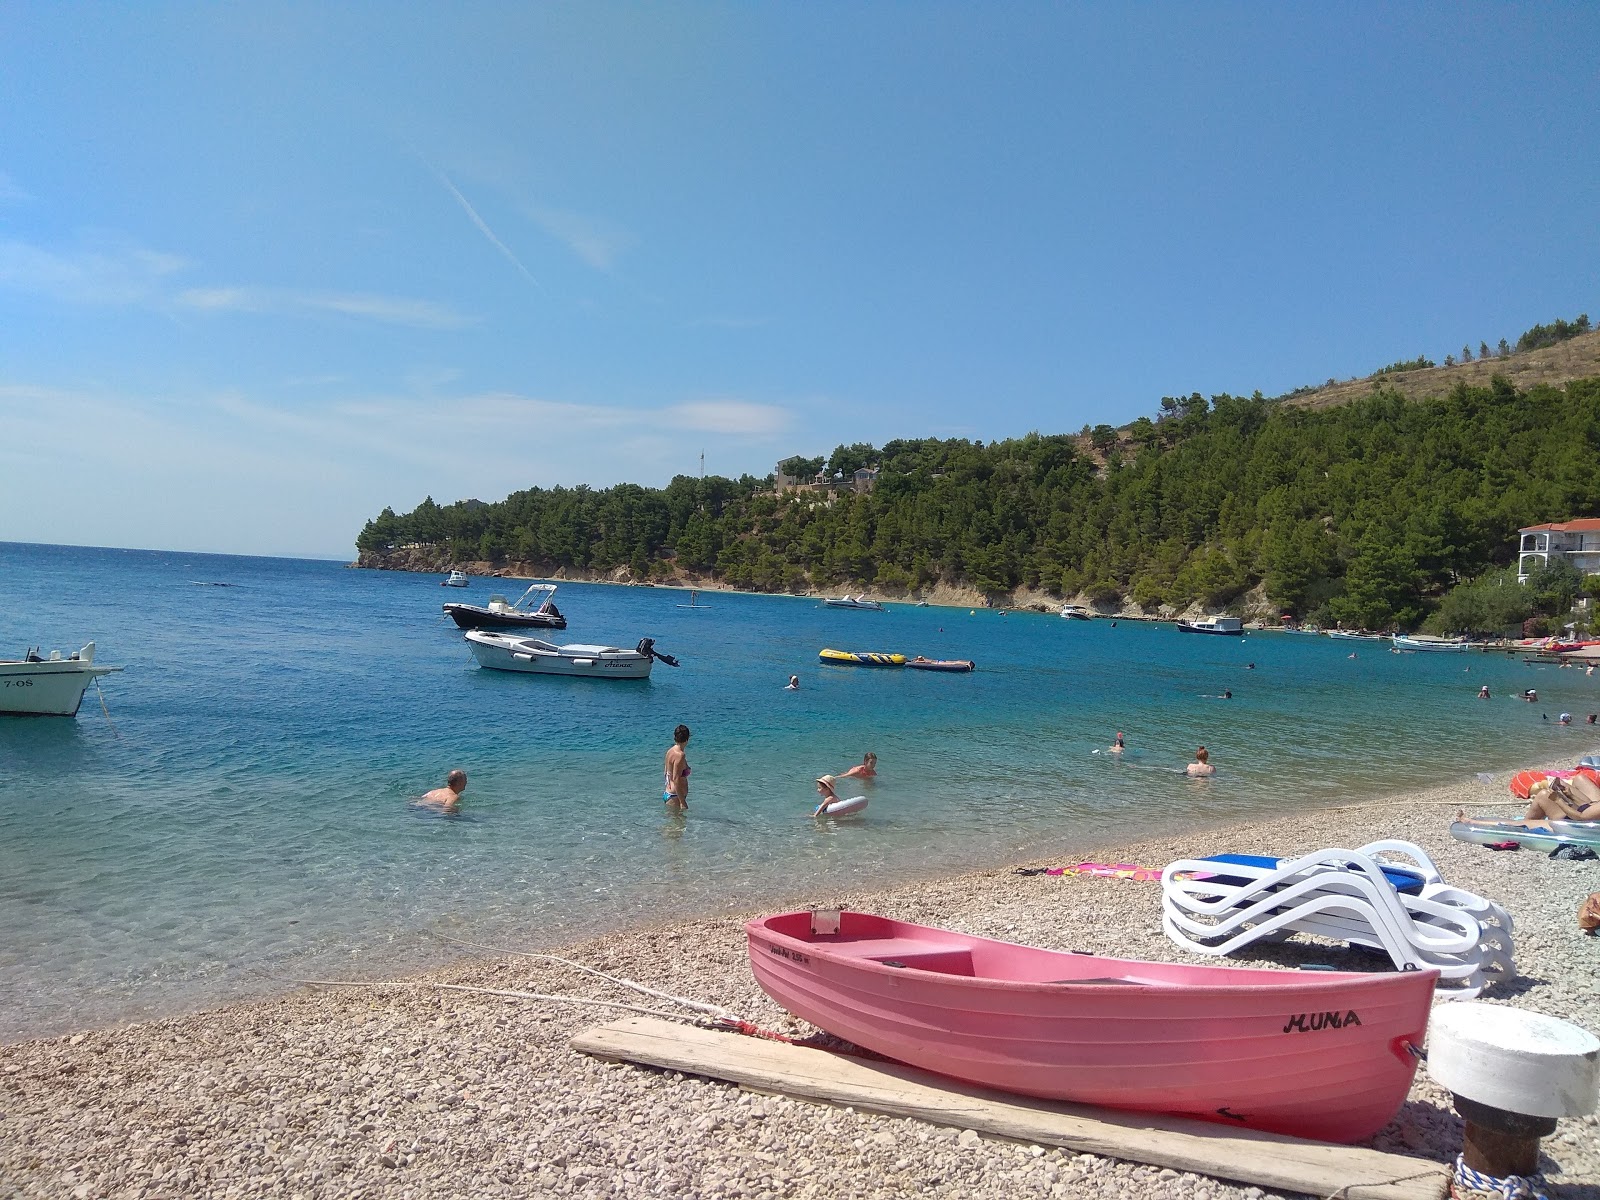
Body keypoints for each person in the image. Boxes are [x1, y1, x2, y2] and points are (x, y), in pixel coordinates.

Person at [663, 724, 691, 811]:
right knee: (679, 824)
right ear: (687, 738)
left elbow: (666, 772)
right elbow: (676, 779)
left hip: (669, 794)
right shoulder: (680, 755)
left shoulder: (670, 751)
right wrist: (682, 801)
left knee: (672, 824)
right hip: (676, 797)